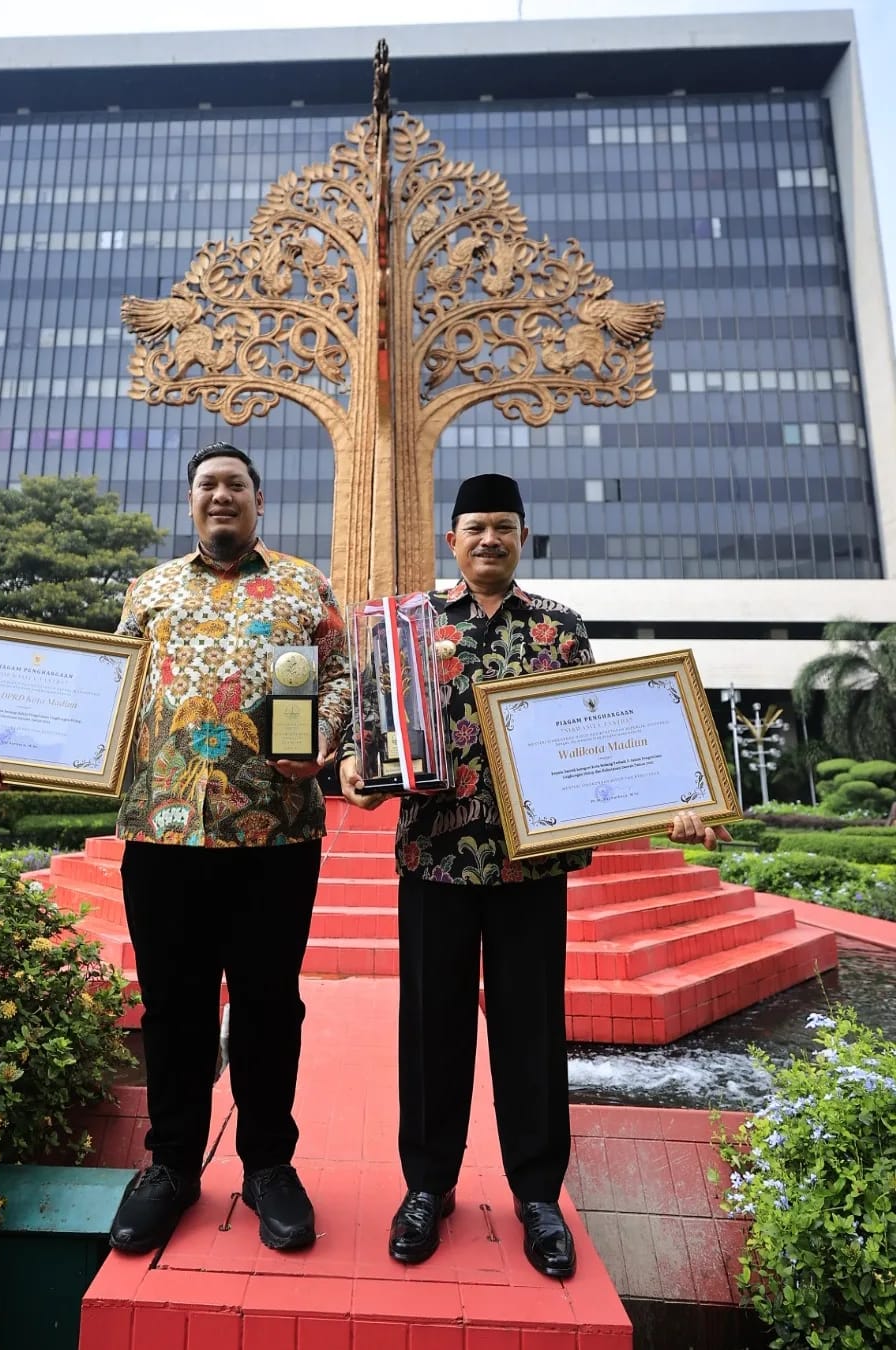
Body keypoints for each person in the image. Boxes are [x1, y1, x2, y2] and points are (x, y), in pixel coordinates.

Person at [0, 442, 350, 1256]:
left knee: (269, 1005)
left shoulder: (305, 586)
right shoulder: (149, 590)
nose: (220, 495)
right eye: (207, 485)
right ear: (191, 500)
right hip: (161, 828)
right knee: (173, 1005)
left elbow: (343, 677)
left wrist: (328, 733)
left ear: (259, 500)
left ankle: (269, 1166)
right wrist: (11, 752)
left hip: (274, 831)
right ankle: (170, 1165)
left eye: (235, 484)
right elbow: (104, 699)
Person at [339, 472, 729, 1278]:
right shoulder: (409, 628)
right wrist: (356, 765)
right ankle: (428, 1186)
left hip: (532, 865)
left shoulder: (560, 628)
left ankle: (538, 1195)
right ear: (452, 539)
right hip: (435, 860)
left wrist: (673, 802)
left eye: (504, 527)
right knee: (432, 1031)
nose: (489, 539)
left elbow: (604, 737)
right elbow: (370, 728)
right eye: (475, 526)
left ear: (522, 537)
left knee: (532, 1032)